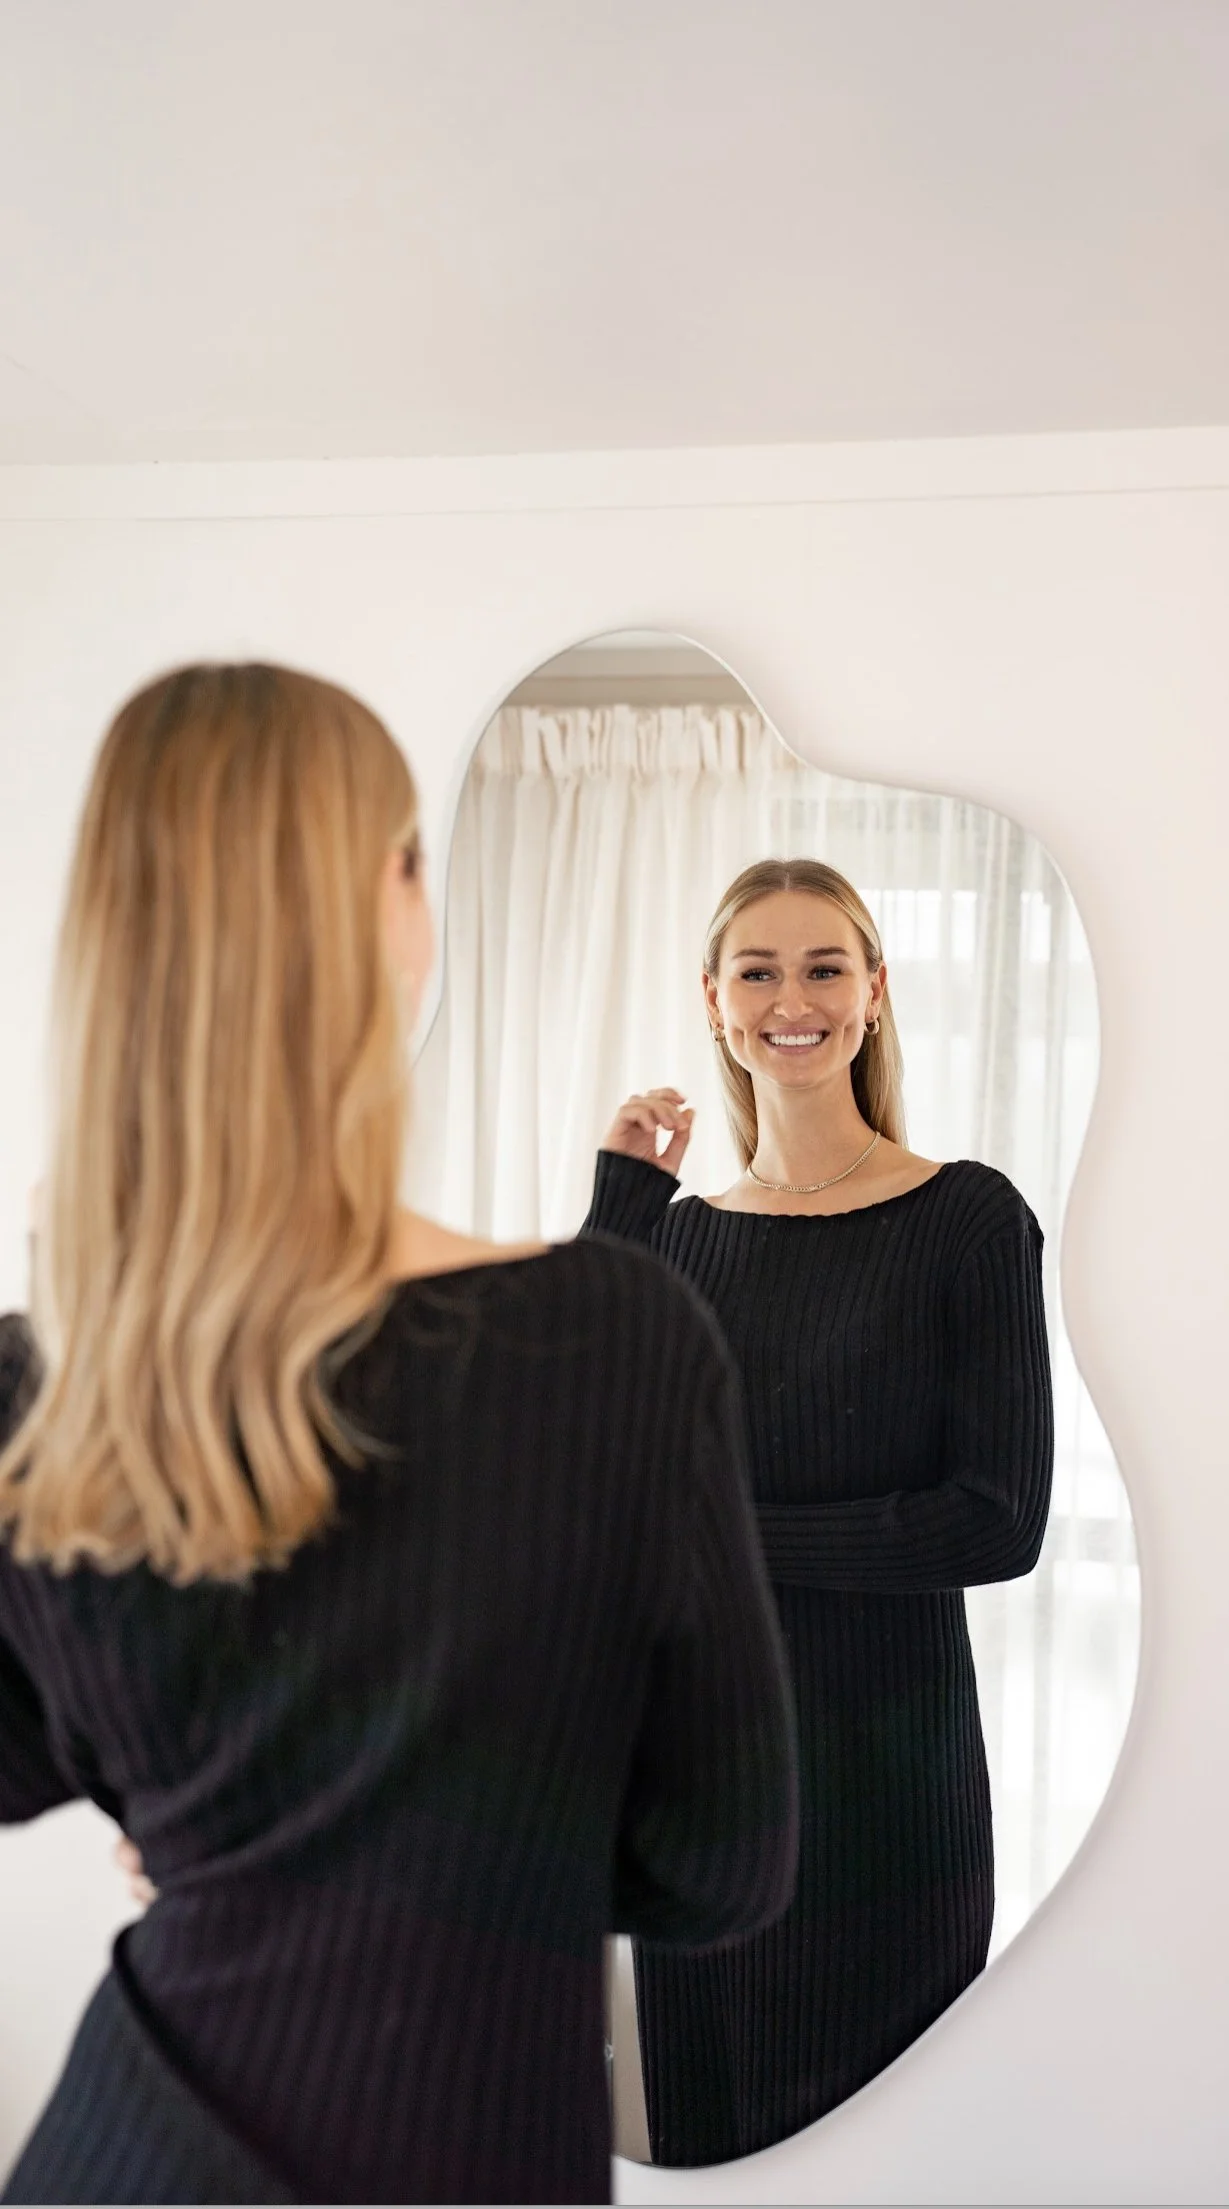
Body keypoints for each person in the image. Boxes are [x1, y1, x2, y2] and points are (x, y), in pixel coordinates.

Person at [0, 665, 798, 2207]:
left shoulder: (40, 1386)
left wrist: (230, 1827)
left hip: (130, 2154)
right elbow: (722, 1867)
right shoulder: (617, 1339)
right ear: (393, 903)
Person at [582, 857, 1054, 2167]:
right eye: (759, 970)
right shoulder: (676, 1242)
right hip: (701, 1792)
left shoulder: (967, 1220)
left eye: (825, 966)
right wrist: (622, 1206)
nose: (794, 998)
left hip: (894, 1794)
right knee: (712, 2146)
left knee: (894, 2158)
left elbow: (996, 1523)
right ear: (717, 1003)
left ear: (877, 993)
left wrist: (723, 1541)